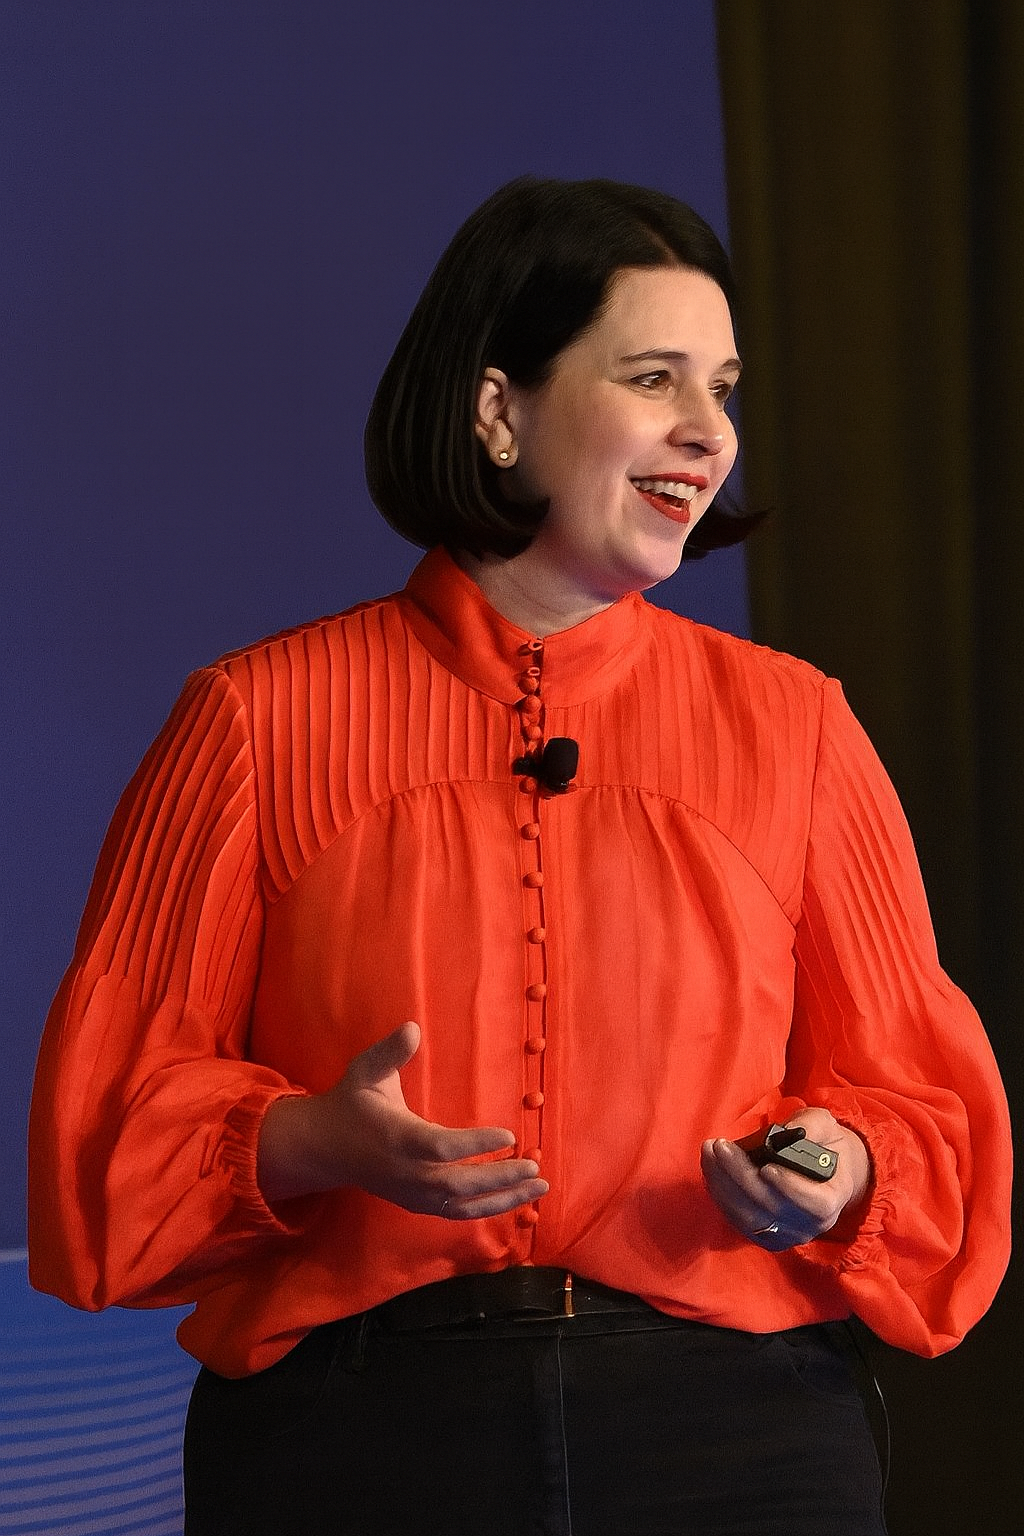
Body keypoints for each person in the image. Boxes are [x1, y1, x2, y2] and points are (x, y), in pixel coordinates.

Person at [29, 178, 1011, 1536]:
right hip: (360, 1433)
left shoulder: (797, 725)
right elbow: (106, 1155)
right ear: (499, 408)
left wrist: (831, 1171)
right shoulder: (255, 718)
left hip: (740, 1431)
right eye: (654, 376)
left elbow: (925, 1118)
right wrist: (308, 1137)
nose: (707, 432)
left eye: (724, 388)